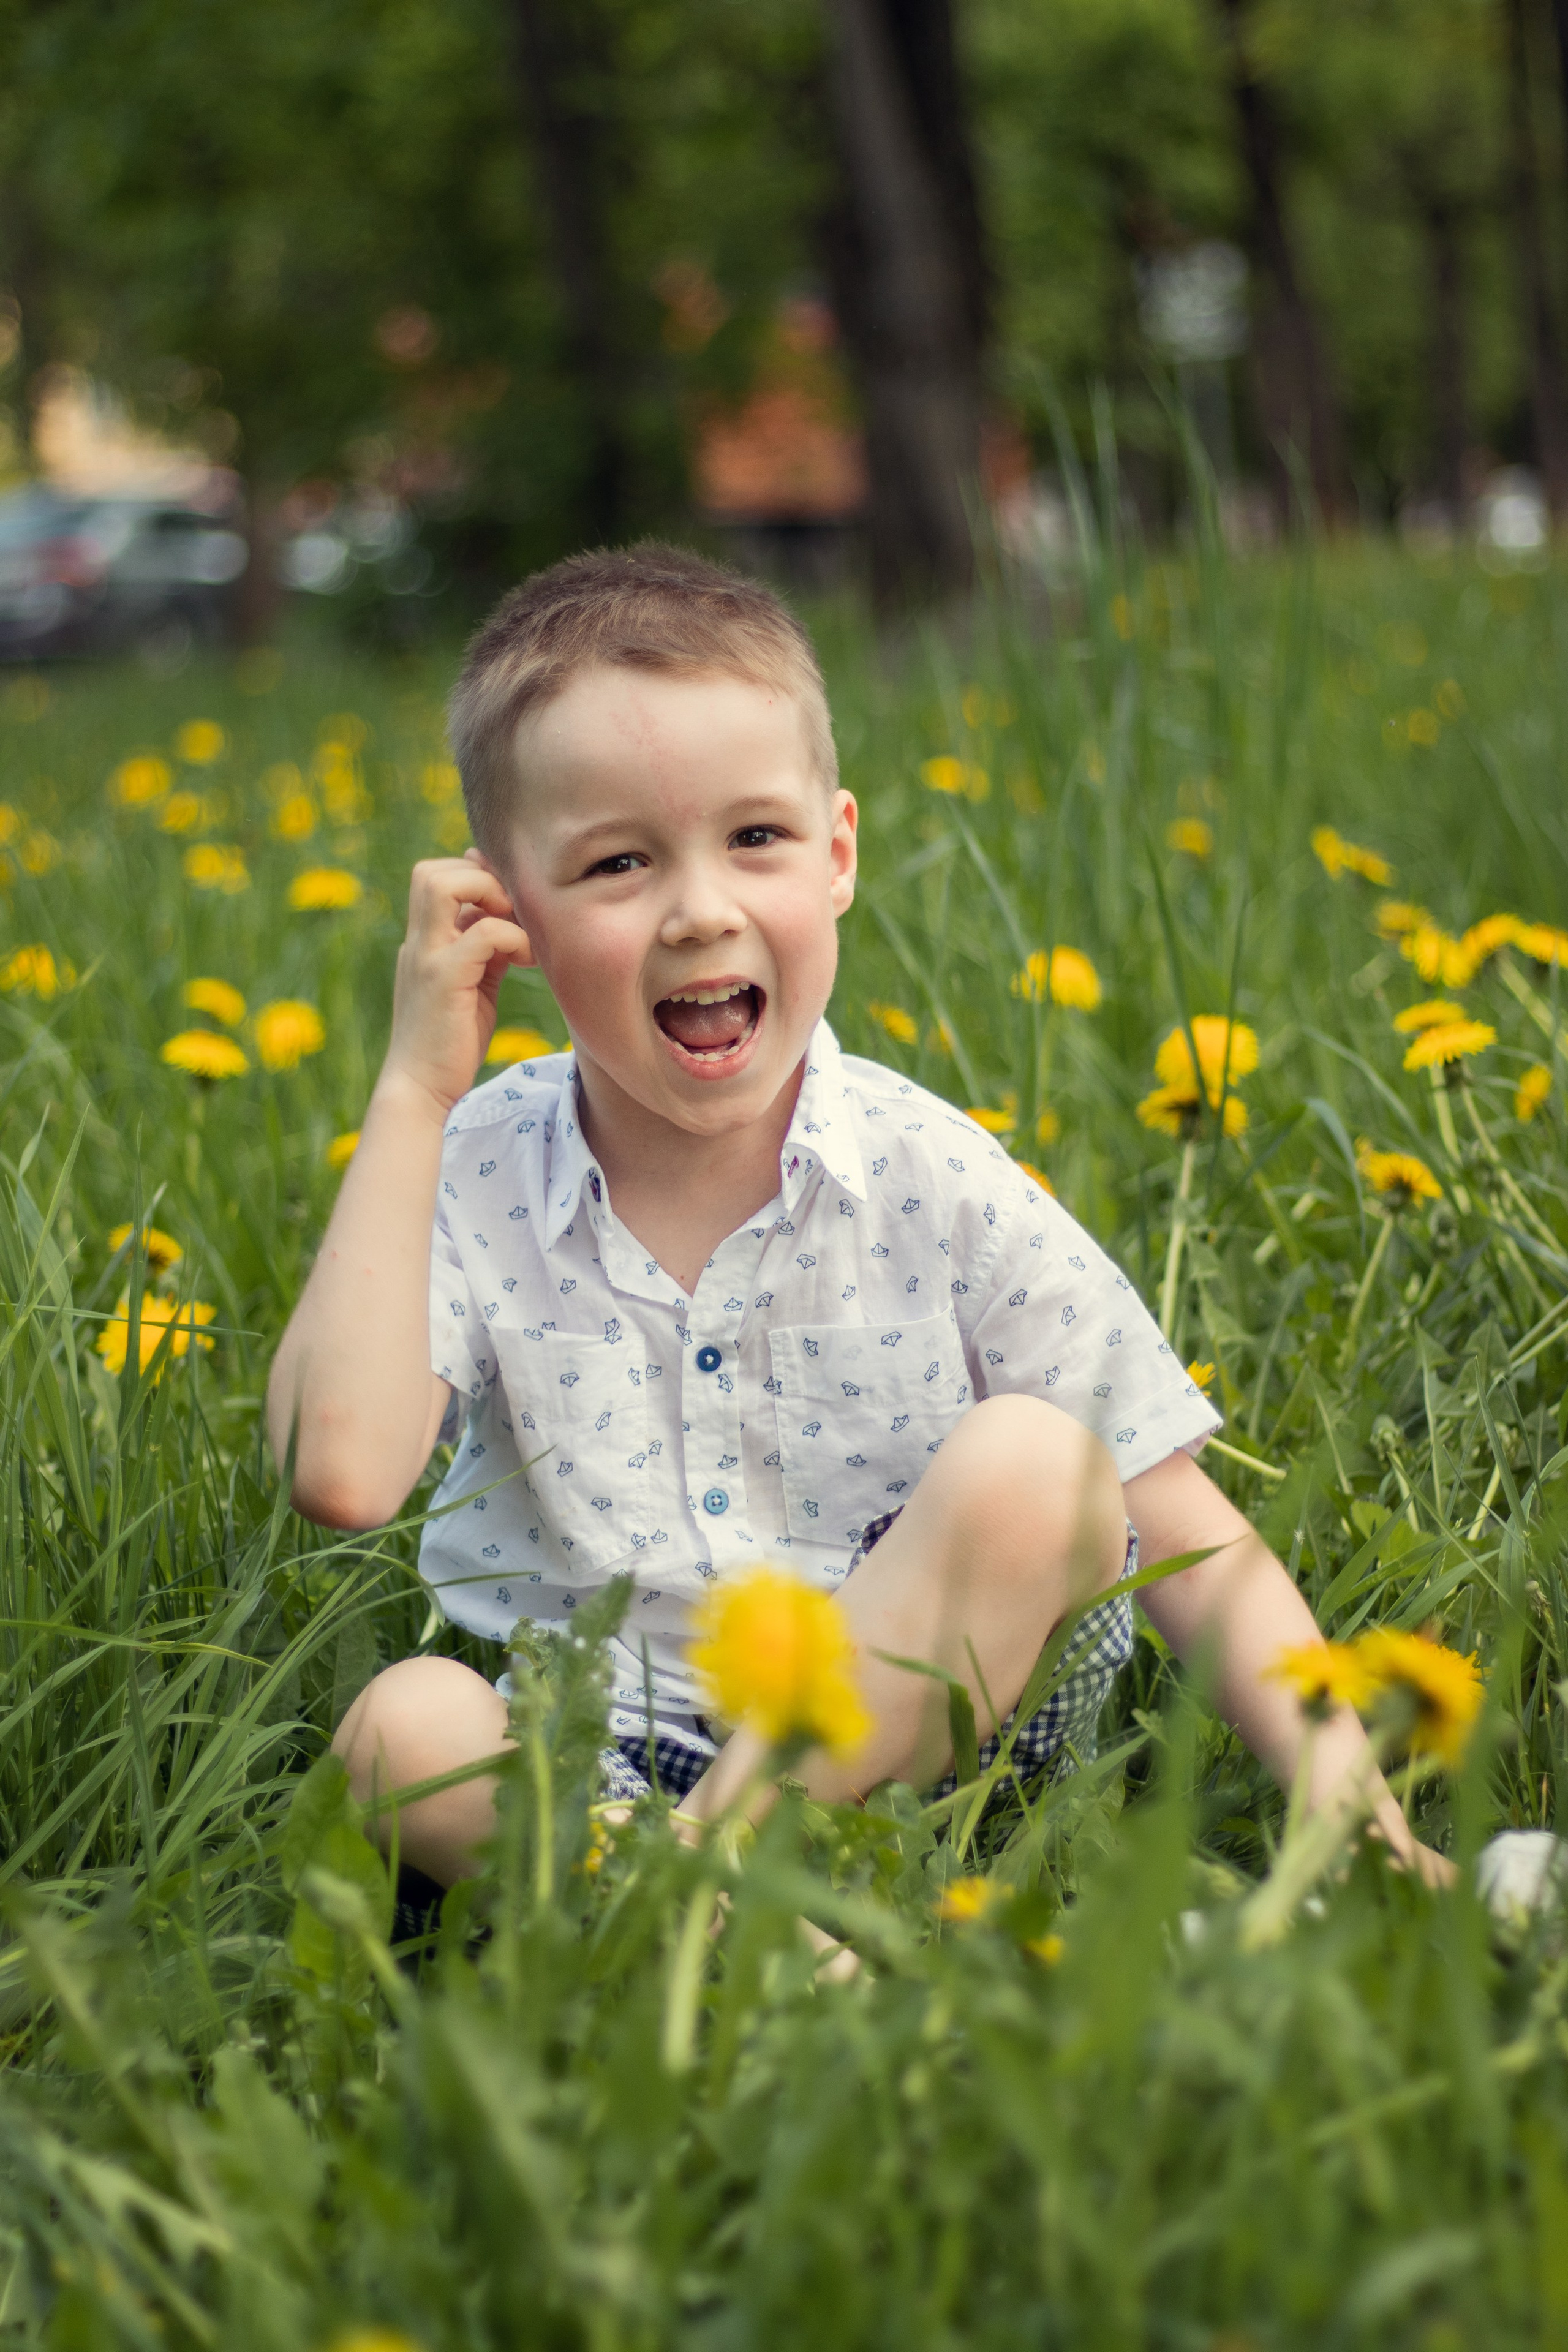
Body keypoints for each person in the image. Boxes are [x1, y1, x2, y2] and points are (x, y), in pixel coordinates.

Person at [267, 542, 1444, 1896]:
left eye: (752, 839)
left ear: (835, 856)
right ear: (503, 913)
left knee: (1037, 1465)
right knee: (399, 1731)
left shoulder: (924, 1172)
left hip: (929, 1739)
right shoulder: (472, 1167)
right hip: (607, 1752)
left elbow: (1173, 1517)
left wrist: (1366, 1827)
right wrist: (416, 1090)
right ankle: (759, 1925)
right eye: (614, 866)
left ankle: (692, 1906)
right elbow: (341, 1473)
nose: (699, 913)